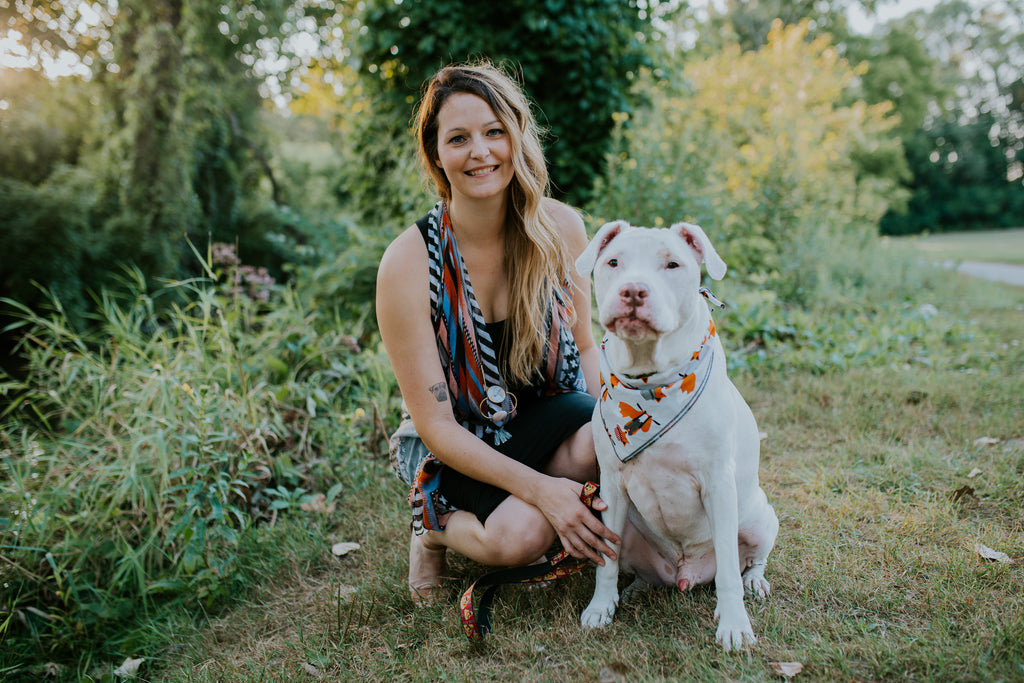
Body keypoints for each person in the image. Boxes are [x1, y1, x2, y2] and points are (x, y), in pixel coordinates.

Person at [376, 61, 621, 604]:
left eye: (494, 132)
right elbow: (436, 423)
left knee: (604, 443)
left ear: (516, 137)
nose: (481, 152)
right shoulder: (408, 263)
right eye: (458, 138)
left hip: (545, 409)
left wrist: (620, 423)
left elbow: (585, 345)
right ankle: (432, 526)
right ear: (436, 155)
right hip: (457, 439)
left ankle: (551, 492)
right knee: (521, 538)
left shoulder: (561, 228)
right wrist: (544, 494)